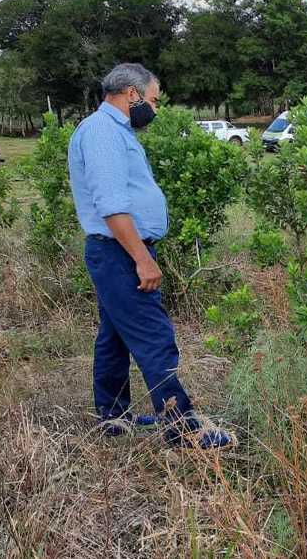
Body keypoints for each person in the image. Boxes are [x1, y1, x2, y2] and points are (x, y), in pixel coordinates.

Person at [68, 63, 231, 448]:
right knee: (154, 336)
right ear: (131, 94)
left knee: (114, 337)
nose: (155, 109)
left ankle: (113, 417)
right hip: (120, 252)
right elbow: (111, 205)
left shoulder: (113, 131)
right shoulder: (103, 133)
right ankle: (182, 426)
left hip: (118, 252)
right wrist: (142, 258)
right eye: (153, 101)